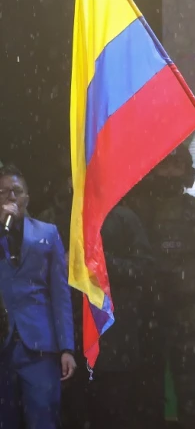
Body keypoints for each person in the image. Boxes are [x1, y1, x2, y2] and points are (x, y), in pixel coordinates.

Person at [128, 145, 195, 429]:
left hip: (186, 316)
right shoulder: (134, 215)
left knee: (190, 396)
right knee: (146, 397)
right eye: (165, 165)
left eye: (176, 166)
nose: (170, 173)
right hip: (146, 316)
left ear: (187, 172)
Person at [0, 164, 76, 429]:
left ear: (26, 198)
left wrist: (67, 347)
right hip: (3, 347)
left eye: (16, 191)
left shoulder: (47, 233)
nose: (10, 196)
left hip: (40, 348)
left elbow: (60, 294)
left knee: (43, 419)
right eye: (3, 192)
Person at [86, 202, 154, 428]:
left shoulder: (124, 218)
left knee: (115, 409)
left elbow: (143, 268)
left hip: (115, 333)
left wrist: (103, 263)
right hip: (73, 335)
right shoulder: (64, 214)